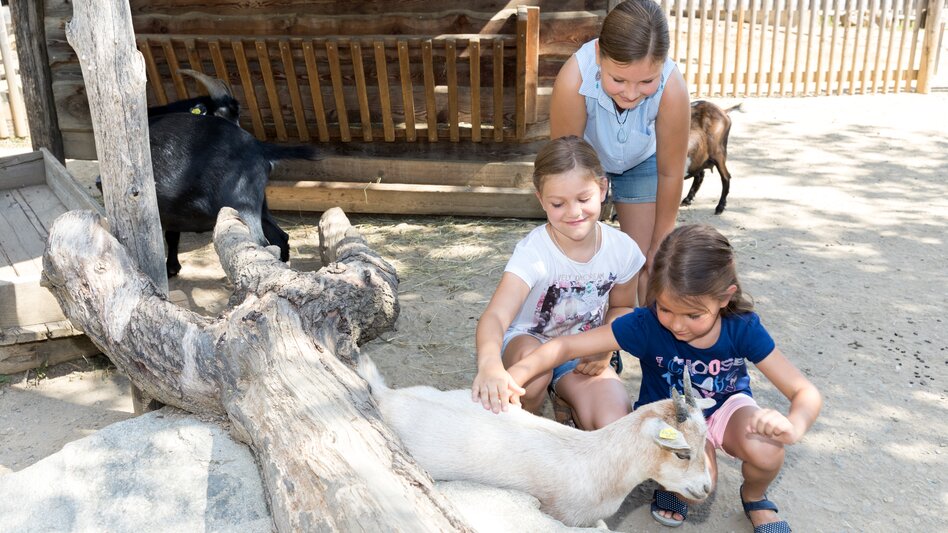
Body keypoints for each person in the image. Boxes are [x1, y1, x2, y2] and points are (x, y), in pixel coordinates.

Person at [505, 224, 822, 532]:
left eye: (694, 315)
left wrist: (794, 426)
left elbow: (804, 391)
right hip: (672, 417)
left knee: (768, 449)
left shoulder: (742, 327)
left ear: (725, 297)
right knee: (696, 487)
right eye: (666, 309)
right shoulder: (646, 325)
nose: (678, 325)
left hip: (728, 408)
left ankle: (755, 498)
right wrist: (515, 375)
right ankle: (672, 486)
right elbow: (566, 345)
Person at [471, 136, 645, 430]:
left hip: (583, 348)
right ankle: (521, 432)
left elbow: (624, 306)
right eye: (558, 203)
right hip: (529, 343)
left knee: (613, 420)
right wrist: (489, 364)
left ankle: (568, 399)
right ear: (540, 199)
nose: (574, 212)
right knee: (534, 375)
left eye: (583, 199)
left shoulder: (623, 249)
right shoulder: (534, 252)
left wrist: (605, 345)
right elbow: (497, 315)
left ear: (602, 189)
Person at [550, 0, 690, 304]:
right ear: (600, 55)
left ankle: (651, 346)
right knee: (581, 258)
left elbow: (671, 172)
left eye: (646, 81)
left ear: (662, 66)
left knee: (643, 264)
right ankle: (596, 343)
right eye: (618, 79)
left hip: (642, 162)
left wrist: (660, 243)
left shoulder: (673, 88)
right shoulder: (574, 78)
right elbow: (565, 167)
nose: (630, 93)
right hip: (583, 163)